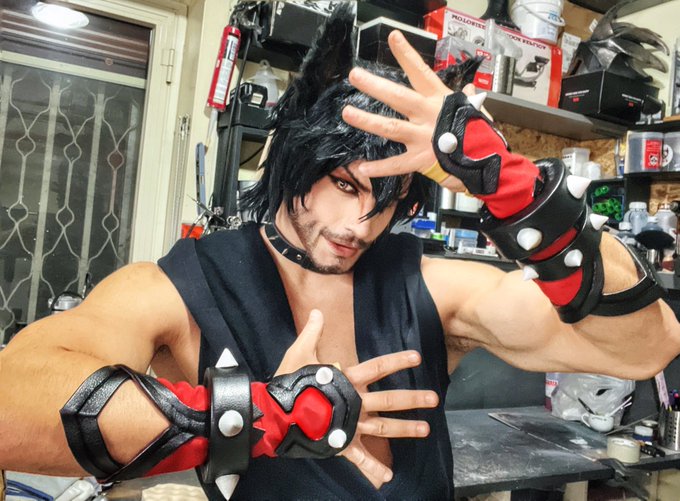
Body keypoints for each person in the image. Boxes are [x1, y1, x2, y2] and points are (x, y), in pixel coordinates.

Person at [1, 4, 679, 500]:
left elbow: (645, 347)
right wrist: (258, 415)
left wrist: (512, 185)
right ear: (293, 160)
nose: (360, 222)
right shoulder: (184, 285)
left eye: (386, 197)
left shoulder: (427, 286)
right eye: (345, 184)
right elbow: (13, 404)